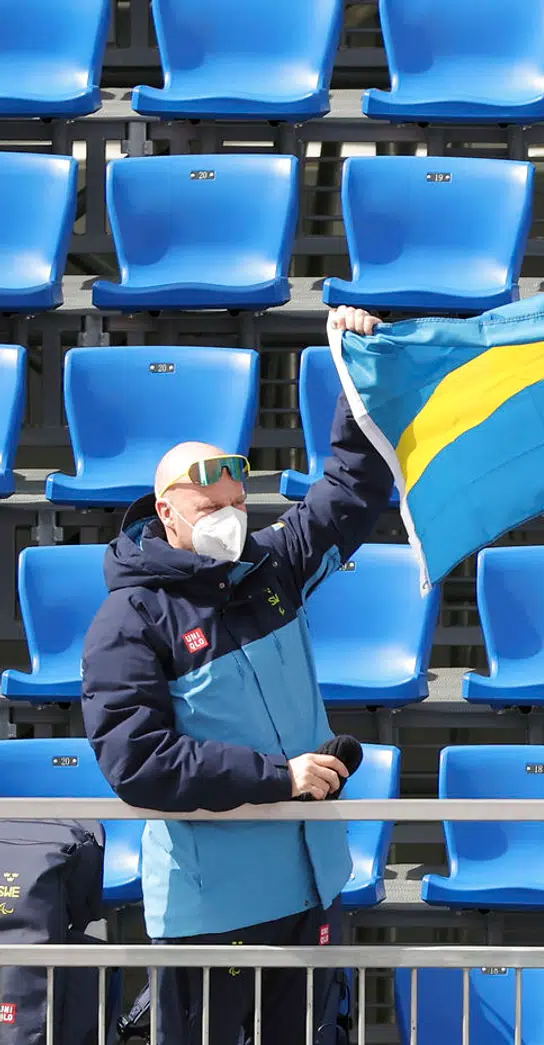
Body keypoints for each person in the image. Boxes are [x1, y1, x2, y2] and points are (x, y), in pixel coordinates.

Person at [80, 306, 389, 1045]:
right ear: (166, 512)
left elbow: (351, 488)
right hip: (212, 907)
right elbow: (139, 763)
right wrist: (276, 776)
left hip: (310, 882)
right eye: (208, 505)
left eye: (236, 502)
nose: (229, 515)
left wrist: (355, 371)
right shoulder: (129, 619)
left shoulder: (271, 565)